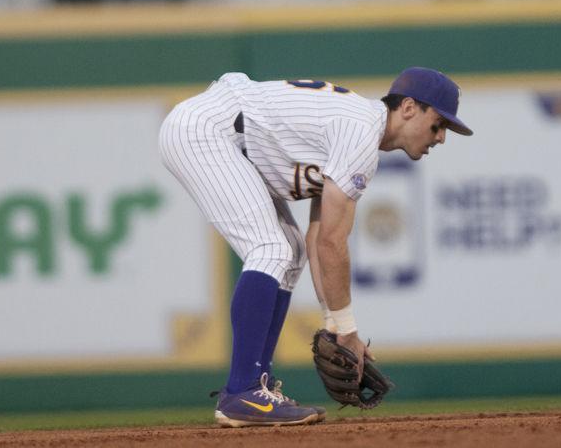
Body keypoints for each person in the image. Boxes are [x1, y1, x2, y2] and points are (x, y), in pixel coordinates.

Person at [158, 67, 473, 427]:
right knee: (270, 247)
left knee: (289, 249)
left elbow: (315, 238)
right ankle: (242, 390)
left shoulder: (356, 131)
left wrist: (334, 324)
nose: (442, 137)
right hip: (207, 130)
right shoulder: (360, 133)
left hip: (224, 132)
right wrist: (349, 330)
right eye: (439, 124)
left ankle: (255, 387)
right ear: (408, 108)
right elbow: (331, 243)